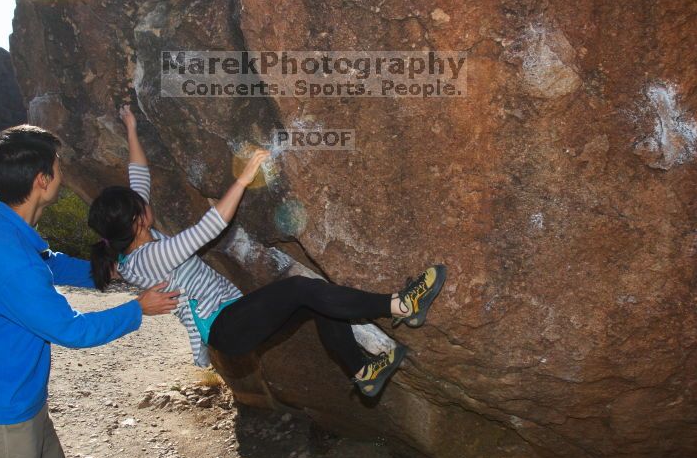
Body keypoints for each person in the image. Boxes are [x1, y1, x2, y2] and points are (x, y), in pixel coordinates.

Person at [88, 105, 447, 398]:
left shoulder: (134, 243)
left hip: (234, 317)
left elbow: (139, 177)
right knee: (300, 289)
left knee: (319, 299)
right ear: (136, 221)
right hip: (226, 327)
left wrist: (131, 126)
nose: (144, 201)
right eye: (139, 206)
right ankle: (402, 305)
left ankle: (363, 371)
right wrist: (244, 177)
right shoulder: (151, 257)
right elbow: (208, 229)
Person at [0, 125, 180, 458]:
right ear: (42, 180)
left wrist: (106, 272)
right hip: (2, 412)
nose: (62, 173)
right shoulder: (6, 261)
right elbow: (72, 330)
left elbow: (45, 262)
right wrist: (139, 307)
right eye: (58, 166)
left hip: (16, 395)